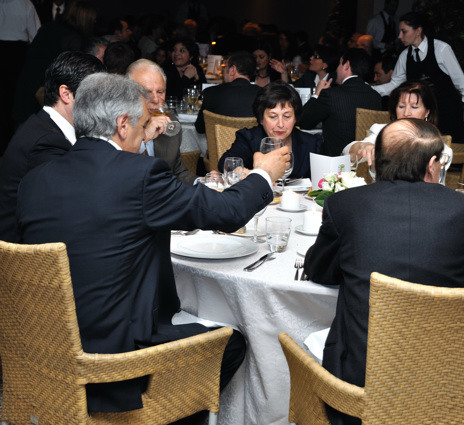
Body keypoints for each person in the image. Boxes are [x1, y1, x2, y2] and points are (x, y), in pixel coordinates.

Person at [16, 72, 290, 413]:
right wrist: (263, 173)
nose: (146, 132)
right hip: (115, 361)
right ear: (122, 125)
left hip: (42, 352)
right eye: (143, 123)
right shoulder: (139, 175)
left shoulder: (34, 180)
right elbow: (226, 211)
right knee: (233, 342)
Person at [305, 118, 464, 425]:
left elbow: (319, 271)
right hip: (445, 381)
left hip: (359, 383)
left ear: (375, 161)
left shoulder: (344, 204)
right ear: (432, 165)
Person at [0, 51, 103, 243]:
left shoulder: (46, 126)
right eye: (95, 95)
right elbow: (72, 206)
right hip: (28, 254)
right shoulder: (46, 142)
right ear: (66, 94)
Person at [373, 12, 464, 144]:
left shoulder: (441, 49)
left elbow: (459, 80)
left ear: (418, 31)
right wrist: (371, 90)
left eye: (404, 31)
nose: (399, 36)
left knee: (448, 149)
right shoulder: (404, 56)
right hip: (424, 115)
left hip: (448, 110)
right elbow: (395, 85)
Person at [11, 0, 97, 124]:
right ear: (85, 19)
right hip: (43, 93)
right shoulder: (74, 39)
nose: (94, 23)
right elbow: (71, 74)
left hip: (27, 84)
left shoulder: (50, 27)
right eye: (93, 19)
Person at [218, 80, 322, 179]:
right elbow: (226, 164)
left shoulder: (312, 143)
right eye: (273, 116)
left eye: (287, 116)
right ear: (261, 119)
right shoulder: (249, 138)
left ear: (295, 118)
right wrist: (256, 175)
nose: (280, 124)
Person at [342, 81, 452, 172]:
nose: (406, 113)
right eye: (401, 106)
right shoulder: (382, 131)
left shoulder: (435, 143)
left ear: (427, 112)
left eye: (414, 107)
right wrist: (363, 146)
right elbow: (347, 153)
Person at [299, 48, 382, 156]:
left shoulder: (331, 95)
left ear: (346, 65)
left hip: (336, 162)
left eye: (339, 64)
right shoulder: (376, 97)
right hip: (366, 159)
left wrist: (317, 94)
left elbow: (304, 122)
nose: (337, 69)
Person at [127, 59, 198, 185]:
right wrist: (145, 138)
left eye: (160, 92)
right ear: (128, 93)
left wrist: (202, 182)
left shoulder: (170, 122)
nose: (156, 99)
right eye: (146, 93)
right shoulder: (117, 125)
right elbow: (116, 170)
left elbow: (177, 171)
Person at [0, 0, 41, 154]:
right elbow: (36, 34)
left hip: (4, 51)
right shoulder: (26, 4)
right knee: (16, 98)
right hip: (17, 54)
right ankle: (14, 142)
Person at [194, 51, 261, 133]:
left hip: (218, 141)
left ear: (232, 70)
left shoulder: (210, 92)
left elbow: (200, 128)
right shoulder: (262, 94)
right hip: (250, 141)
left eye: (225, 67)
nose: (223, 71)